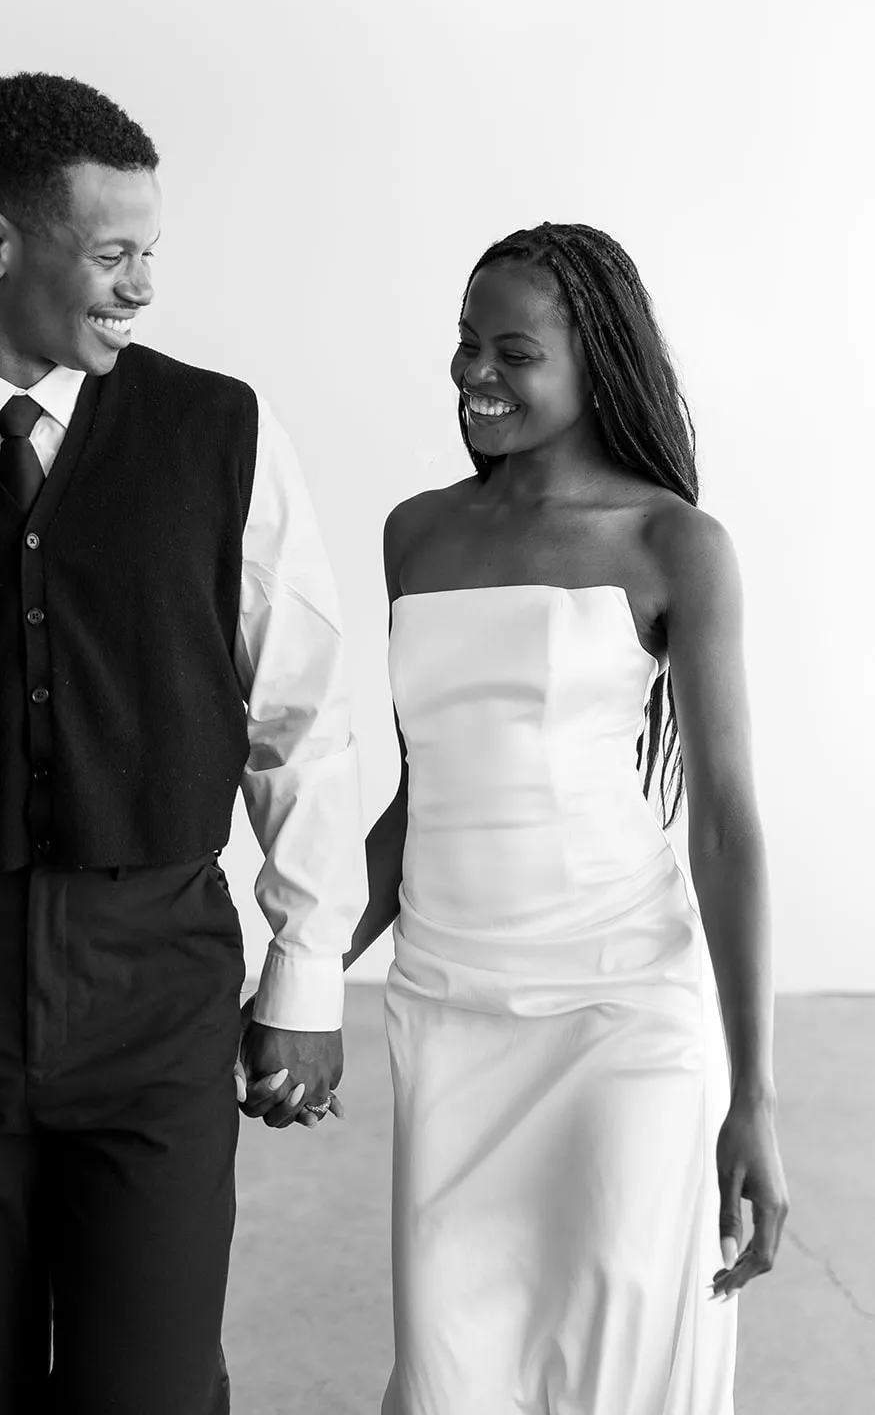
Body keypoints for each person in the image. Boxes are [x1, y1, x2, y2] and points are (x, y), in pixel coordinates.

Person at [0, 71, 364, 1415]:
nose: (140, 289)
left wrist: (305, 976)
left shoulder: (219, 432)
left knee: (154, 1391)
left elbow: (301, 714)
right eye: (113, 255)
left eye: (148, 255)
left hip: (158, 992)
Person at [345, 223, 789, 1414]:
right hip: (447, 1010)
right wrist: (293, 967)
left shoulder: (672, 544)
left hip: (620, 1010)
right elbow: (416, 789)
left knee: (621, 1353)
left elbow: (727, 827)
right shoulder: (416, 532)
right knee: (452, 1374)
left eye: (511, 350)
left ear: (596, 364)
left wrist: (753, 1095)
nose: (472, 374)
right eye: (461, 345)